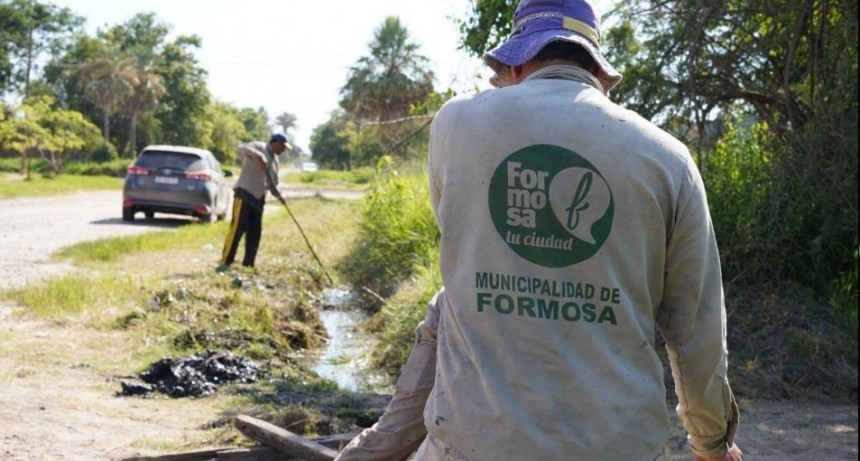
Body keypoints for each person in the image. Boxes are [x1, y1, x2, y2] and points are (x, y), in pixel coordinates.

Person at [336, 0, 743, 460]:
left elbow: (466, 242)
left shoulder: (456, 123)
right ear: (598, 68)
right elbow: (697, 328)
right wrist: (711, 442)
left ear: (516, 62)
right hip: (616, 447)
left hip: (472, 446)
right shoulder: (668, 157)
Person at [218, 133, 291, 270]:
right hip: (245, 193)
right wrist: (259, 156)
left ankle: (248, 263)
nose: (283, 150)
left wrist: (280, 196)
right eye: (283, 147)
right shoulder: (259, 146)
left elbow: (272, 184)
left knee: (255, 232)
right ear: (275, 142)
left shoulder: (275, 161)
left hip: (259, 199)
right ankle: (226, 261)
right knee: (238, 228)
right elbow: (241, 148)